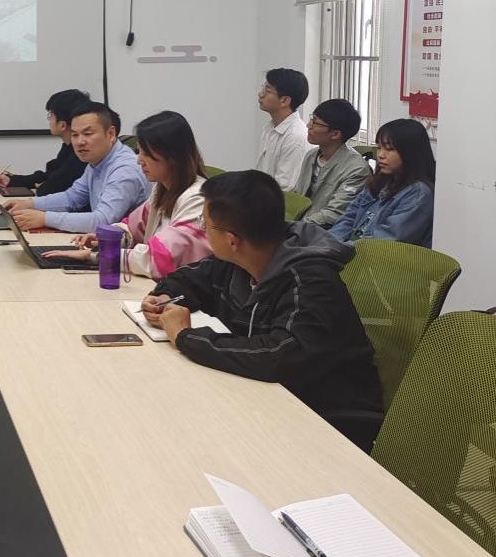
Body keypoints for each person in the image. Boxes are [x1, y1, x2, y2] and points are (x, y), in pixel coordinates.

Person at [142, 170, 384, 450]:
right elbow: (195, 277)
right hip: (261, 400)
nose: (203, 230)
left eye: (205, 225)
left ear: (232, 240)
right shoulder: (242, 258)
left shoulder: (311, 283)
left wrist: (185, 336)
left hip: (325, 424)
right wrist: (165, 295)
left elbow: (275, 355)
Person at [42, 111, 210, 279]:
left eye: (146, 153)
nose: (139, 160)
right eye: (139, 151)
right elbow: (133, 227)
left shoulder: (198, 199)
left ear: (172, 155)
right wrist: (106, 238)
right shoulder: (162, 189)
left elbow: (157, 259)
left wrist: (98, 256)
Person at [2, 101, 149, 234]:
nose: (79, 142)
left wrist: (45, 218)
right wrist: (29, 204)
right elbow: (72, 197)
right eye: (75, 135)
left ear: (111, 134)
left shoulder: (125, 169)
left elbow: (103, 221)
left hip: (128, 249)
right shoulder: (97, 161)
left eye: (87, 134)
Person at [328, 119, 435, 248]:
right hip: (348, 250)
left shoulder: (418, 193)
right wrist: (326, 245)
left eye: (390, 149)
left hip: (375, 257)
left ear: (410, 153)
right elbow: (349, 218)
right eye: (379, 147)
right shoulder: (382, 180)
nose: (381, 155)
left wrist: (338, 251)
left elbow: (386, 242)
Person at [0, 88, 90, 195]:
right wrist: (11, 181)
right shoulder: (68, 147)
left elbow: (53, 187)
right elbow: (48, 176)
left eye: (51, 116)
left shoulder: (81, 154)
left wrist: (43, 187)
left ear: (62, 125)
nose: (49, 121)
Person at [291, 99, 371, 228]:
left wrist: (293, 227)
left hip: (325, 232)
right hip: (299, 227)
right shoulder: (311, 155)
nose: (308, 125)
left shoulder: (357, 169)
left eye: (315, 122)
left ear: (335, 134)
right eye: (312, 119)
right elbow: (297, 195)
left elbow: (334, 213)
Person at [254, 68, 311, 189]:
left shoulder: (296, 137)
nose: (261, 94)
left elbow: (285, 188)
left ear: (285, 100)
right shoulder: (270, 127)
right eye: (263, 88)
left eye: (267, 90)